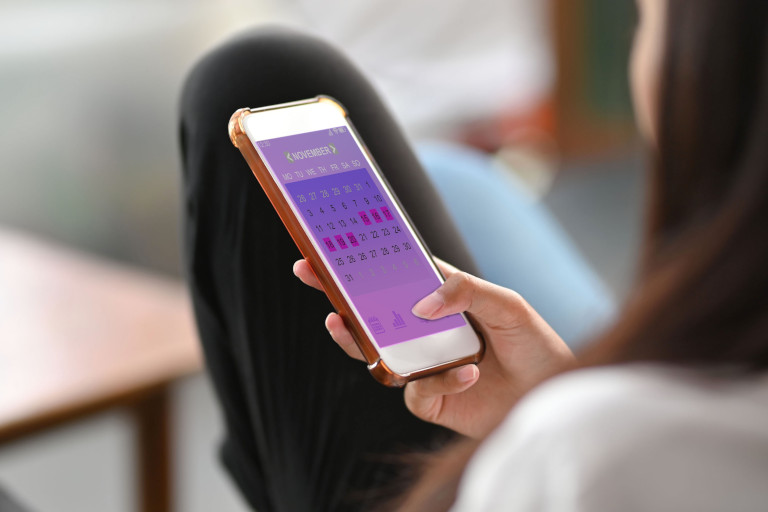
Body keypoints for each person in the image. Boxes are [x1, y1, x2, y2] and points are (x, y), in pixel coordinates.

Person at [180, 1, 768, 511]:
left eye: (647, 18)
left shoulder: (591, 457)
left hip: (574, 446)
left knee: (254, 77)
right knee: (452, 178)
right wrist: (548, 392)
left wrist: (544, 420)